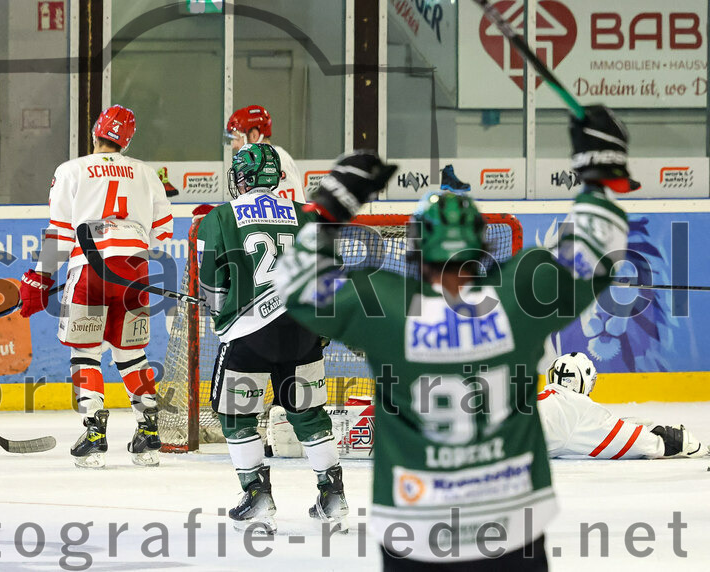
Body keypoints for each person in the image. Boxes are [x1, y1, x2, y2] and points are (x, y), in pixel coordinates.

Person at [272, 104, 635, 569]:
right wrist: (600, 175)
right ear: (486, 247)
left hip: (414, 529)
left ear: (413, 248)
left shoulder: (382, 305)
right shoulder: (521, 293)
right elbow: (596, 246)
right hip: (512, 525)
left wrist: (330, 206)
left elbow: (295, 282)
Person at [196, 143, 348, 533]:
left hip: (248, 336)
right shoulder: (307, 215)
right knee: (308, 413)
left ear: (243, 177)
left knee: (235, 415)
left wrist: (218, 306)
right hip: (303, 331)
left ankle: (257, 497)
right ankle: (333, 498)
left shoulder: (220, 217)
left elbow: (212, 290)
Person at [19, 104, 173, 468]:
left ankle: (94, 431)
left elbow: (59, 233)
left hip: (89, 270)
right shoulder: (147, 174)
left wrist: (39, 278)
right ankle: (149, 430)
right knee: (130, 354)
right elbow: (163, 232)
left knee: (85, 352)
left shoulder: (72, 170)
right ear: (127, 141)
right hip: (135, 272)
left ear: (94, 133)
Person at [540, 352, 708, 459]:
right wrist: (673, 441)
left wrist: (619, 424)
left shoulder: (544, 398)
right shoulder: (581, 409)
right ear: (582, 381)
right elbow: (633, 442)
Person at [225, 105, 304, 201]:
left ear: (254, 136)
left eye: (236, 139)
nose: (234, 145)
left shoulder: (274, 161)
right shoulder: (274, 157)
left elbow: (288, 209)